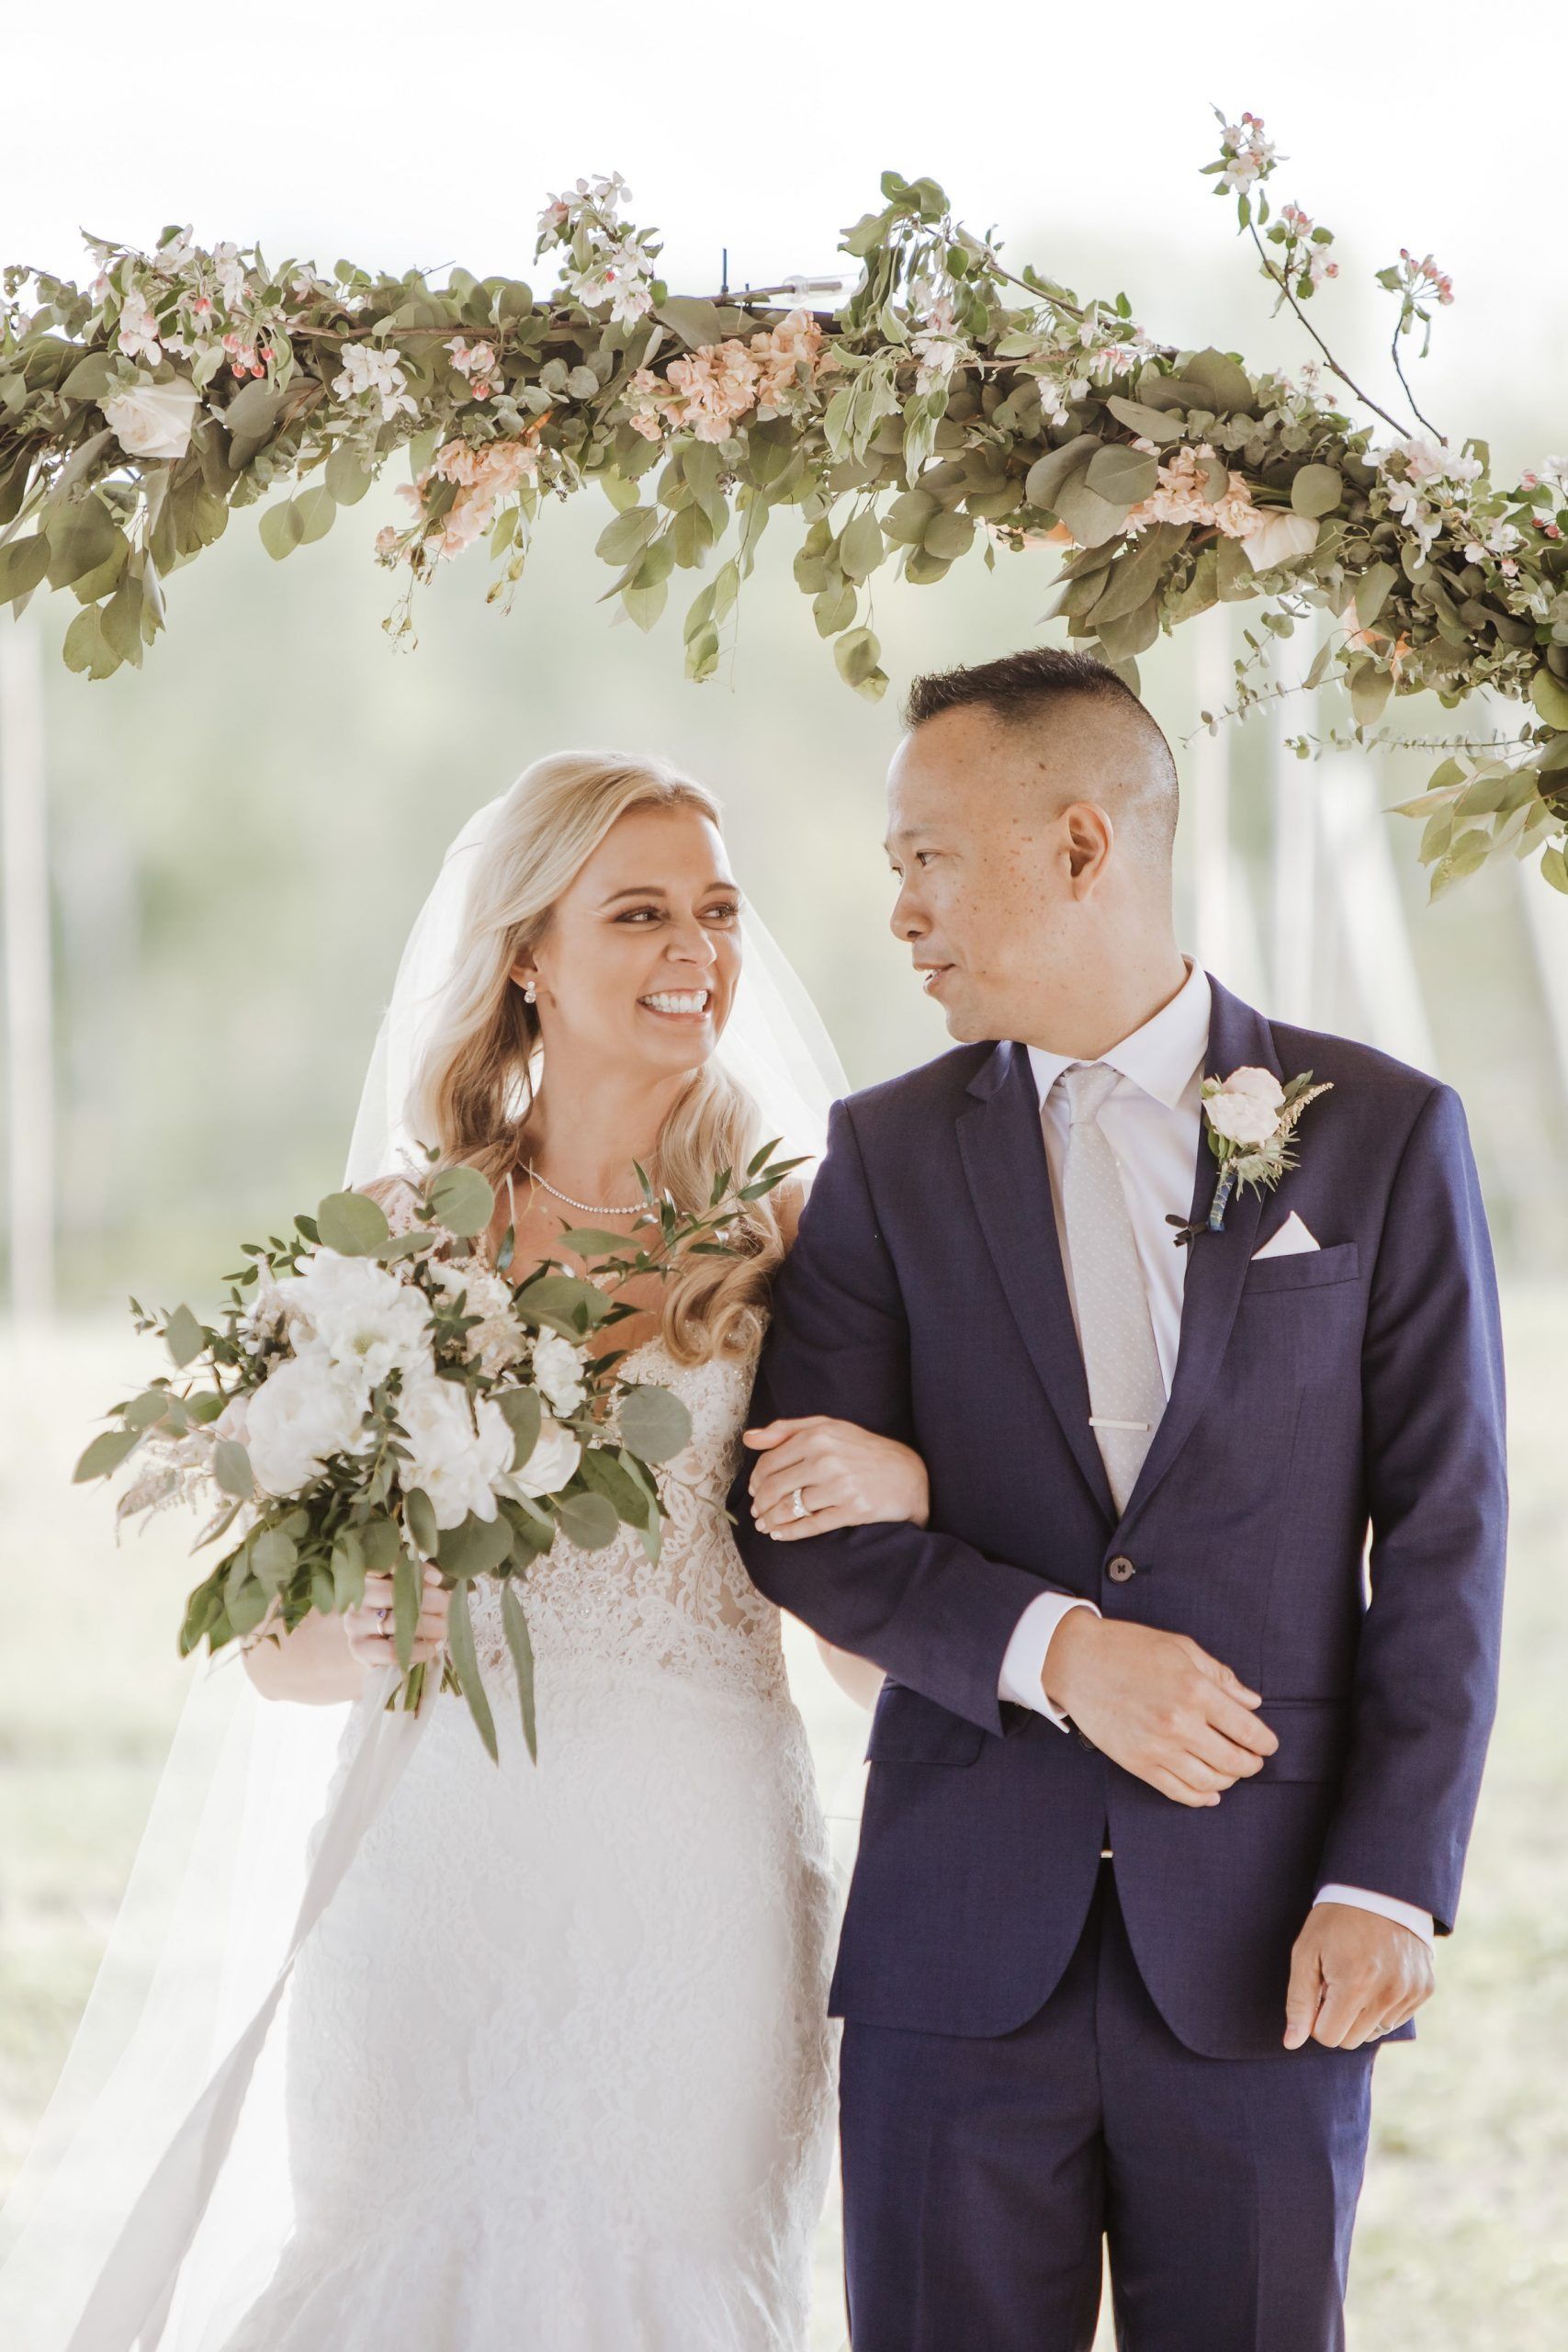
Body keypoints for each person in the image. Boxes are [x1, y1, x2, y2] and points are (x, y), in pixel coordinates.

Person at [6, 751, 926, 2352]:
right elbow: (272, 1650)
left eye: (715, 908)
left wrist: (903, 1490)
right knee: (398, 2255)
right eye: (638, 913)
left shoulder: (796, 1233)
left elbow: (862, 1619)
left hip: (694, 1862)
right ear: (527, 958)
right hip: (433, 1867)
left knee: (672, 2268)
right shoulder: (398, 1236)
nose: (695, 949)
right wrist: (353, 1625)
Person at [731, 647, 1508, 2352]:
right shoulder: (885, 1154)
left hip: (1269, 1951)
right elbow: (797, 1512)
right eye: (895, 869)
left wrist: (1389, 1882)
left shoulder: (1379, 1133)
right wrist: (1055, 1647)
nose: (903, 912)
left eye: (927, 857)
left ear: (1083, 847)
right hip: (956, 1960)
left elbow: (1449, 1538)